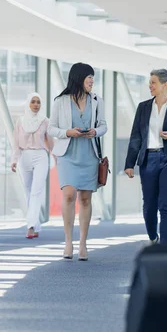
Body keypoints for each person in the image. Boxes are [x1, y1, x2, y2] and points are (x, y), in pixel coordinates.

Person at [124, 69, 167, 244]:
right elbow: (136, 137)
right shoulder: (143, 107)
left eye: (153, 82)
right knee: (149, 206)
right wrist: (129, 164)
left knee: (166, 205)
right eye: (150, 83)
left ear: (165, 85)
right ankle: (153, 238)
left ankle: (165, 245)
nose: (150, 86)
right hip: (148, 159)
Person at [48, 62, 107, 261]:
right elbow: (51, 129)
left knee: (85, 199)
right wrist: (68, 132)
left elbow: (103, 126)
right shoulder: (61, 101)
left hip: (88, 153)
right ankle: (68, 241)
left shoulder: (97, 100)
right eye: (88, 77)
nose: (91, 80)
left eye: (93, 77)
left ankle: (83, 243)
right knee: (69, 194)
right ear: (78, 78)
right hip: (67, 153)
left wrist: (95, 132)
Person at [11, 92, 54, 239]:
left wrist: (55, 157)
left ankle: (30, 226)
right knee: (28, 191)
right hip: (24, 157)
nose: (36, 105)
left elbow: (49, 141)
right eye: (33, 102)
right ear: (28, 104)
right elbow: (16, 143)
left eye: (38, 102)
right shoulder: (20, 121)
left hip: (41, 156)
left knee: (37, 191)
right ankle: (35, 225)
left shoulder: (45, 121)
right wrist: (14, 160)